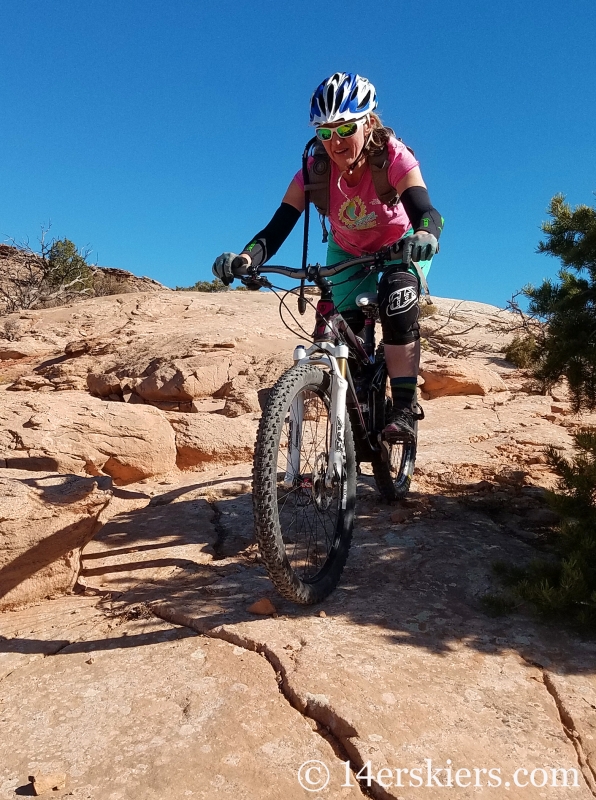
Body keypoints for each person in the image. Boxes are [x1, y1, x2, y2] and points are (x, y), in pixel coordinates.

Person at [212, 72, 443, 440]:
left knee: (397, 301)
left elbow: (426, 210)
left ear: (367, 123)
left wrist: (426, 233)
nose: (335, 142)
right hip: (348, 251)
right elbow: (278, 226)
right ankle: (356, 417)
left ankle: (402, 408)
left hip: (400, 245)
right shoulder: (313, 171)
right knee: (344, 333)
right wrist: (246, 257)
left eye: (345, 129)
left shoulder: (392, 157)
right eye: (324, 133)